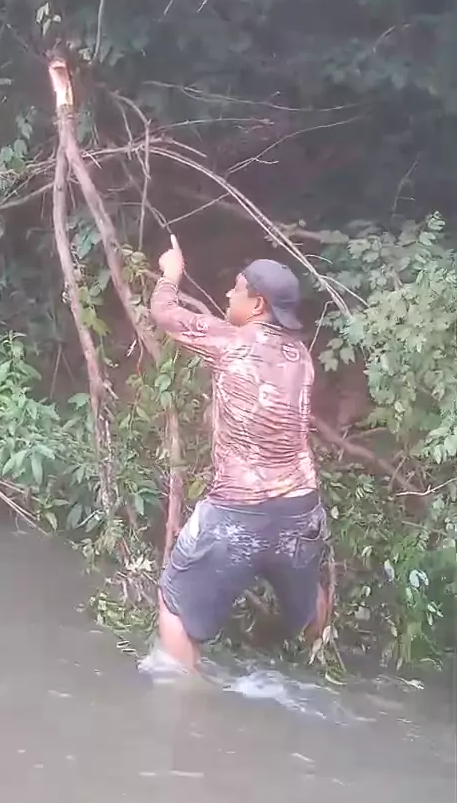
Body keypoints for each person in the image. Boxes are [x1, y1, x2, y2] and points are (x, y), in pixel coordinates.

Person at [150, 235, 332, 669]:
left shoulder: (231, 341)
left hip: (238, 510)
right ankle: (316, 654)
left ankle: (186, 694)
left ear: (258, 304)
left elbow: (165, 314)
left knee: (174, 608)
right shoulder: (302, 357)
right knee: (311, 596)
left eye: (237, 289)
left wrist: (171, 274)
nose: (229, 295)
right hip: (299, 508)